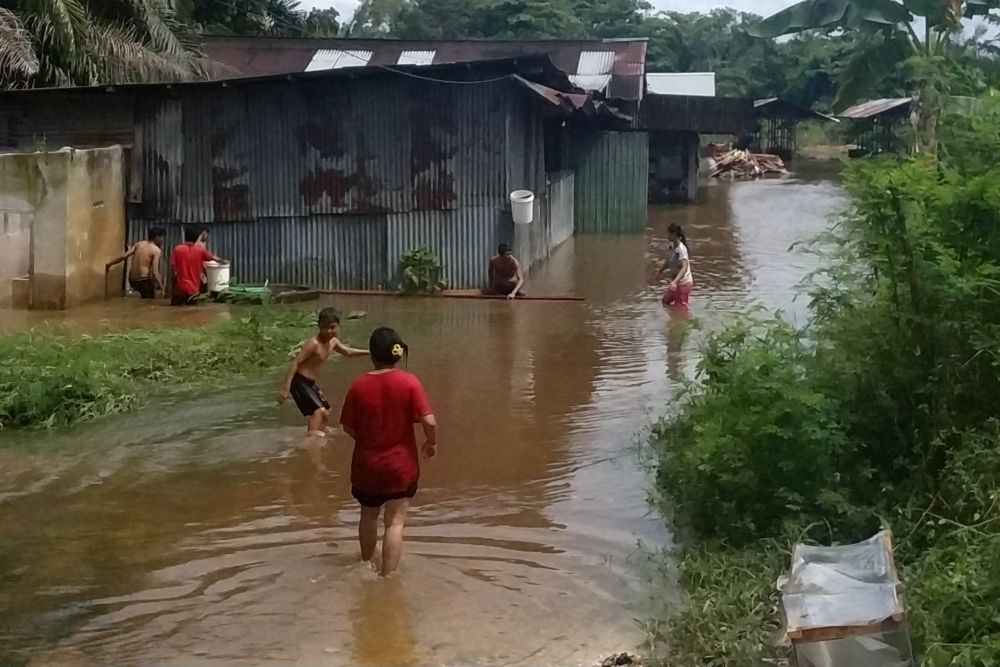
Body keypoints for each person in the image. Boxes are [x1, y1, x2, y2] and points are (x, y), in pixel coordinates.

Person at [339, 327, 437, 576]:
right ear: (397, 353)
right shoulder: (410, 382)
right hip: (399, 467)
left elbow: (348, 427)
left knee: (368, 517)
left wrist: (369, 441)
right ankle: (388, 578)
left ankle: (366, 566)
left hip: (366, 465)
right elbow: (429, 421)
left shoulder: (359, 385)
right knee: (394, 523)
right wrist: (430, 442)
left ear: (372, 355)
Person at [277, 308, 369, 435]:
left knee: (326, 411)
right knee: (319, 411)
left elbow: (348, 352)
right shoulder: (313, 344)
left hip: (310, 383)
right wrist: (285, 388)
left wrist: (369, 352)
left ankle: (319, 434)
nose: (329, 331)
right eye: (324, 327)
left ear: (338, 326)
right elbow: (295, 363)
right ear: (319, 327)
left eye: (332, 327)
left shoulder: (333, 342)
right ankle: (312, 441)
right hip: (299, 381)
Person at [169, 227, 226, 306]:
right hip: (193, 290)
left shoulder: (177, 249)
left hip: (179, 288)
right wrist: (224, 262)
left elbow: (173, 269)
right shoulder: (200, 250)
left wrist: (172, 287)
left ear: (185, 236)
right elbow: (214, 258)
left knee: (174, 313)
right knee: (193, 314)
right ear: (197, 237)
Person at [106, 227, 166, 299]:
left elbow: (124, 256)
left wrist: (109, 264)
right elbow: (155, 272)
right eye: (162, 237)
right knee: (149, 303)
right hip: (143, 280)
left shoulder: (139, 244)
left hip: (132, 280)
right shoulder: (156, 250)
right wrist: (162, 287)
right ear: (157, 237)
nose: (163, 240)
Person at [657, 223, 693, 307]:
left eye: (668, 233)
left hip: (683, 283)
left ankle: (682, 312)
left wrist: (675, 282)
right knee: (665, 301)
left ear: (673, 234)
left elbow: (684, 267)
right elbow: (668, 261)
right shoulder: (671, 246)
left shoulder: (681, 249)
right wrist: (660, 271)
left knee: (680, 310)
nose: (667, 235)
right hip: (675, 283)